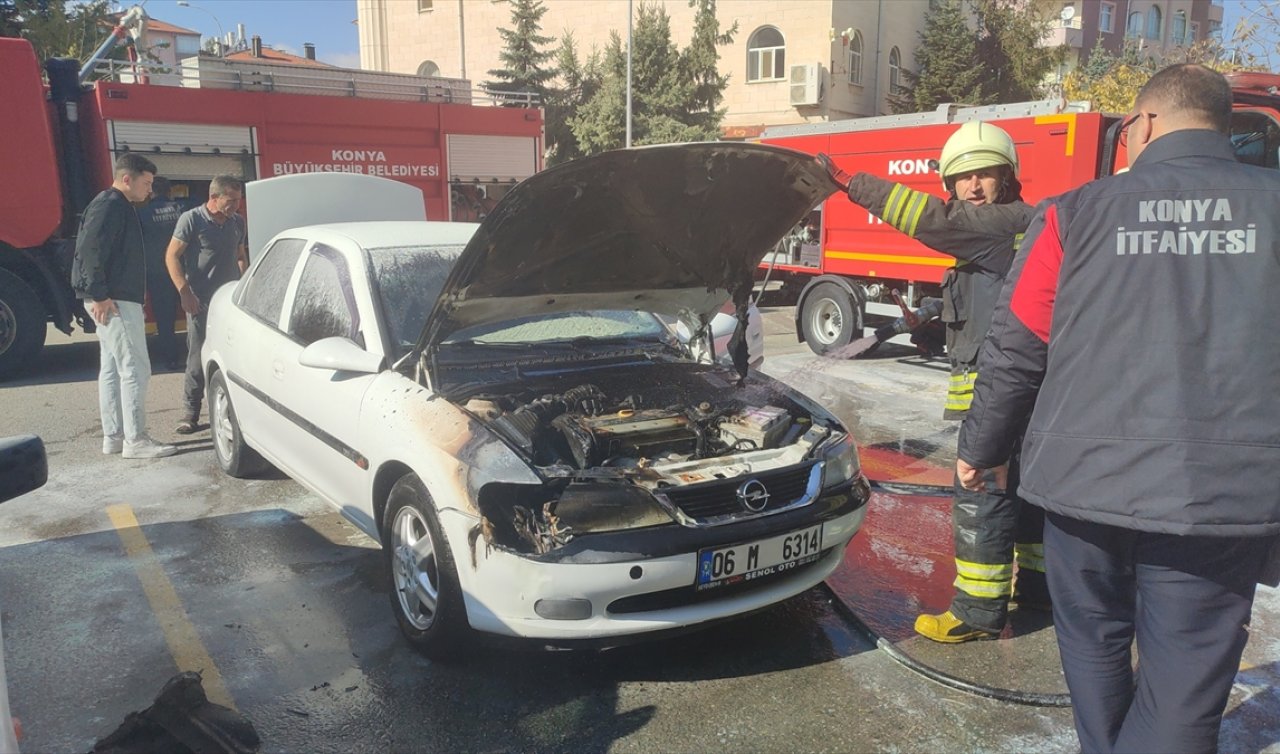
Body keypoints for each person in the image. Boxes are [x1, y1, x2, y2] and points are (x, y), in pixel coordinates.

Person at [957, 64, 1280, 752]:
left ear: (1145, 123)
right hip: (1218, 502)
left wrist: (980, 449)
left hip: (1084, 490)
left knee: (1095, 647)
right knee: (1184, 678)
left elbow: (1016, 349)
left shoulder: (1072, 214)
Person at [842, 121, 1046, 643]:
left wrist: (846, 181)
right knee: (1025, 492)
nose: (974, 186)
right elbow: (986, 307)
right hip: (1019, 394)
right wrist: (933, 323)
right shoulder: (1007, 233)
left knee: (982, 489)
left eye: (986, 175)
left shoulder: (1002, 222)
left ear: (1008, 179)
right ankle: (1041, 594)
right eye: (964, 178)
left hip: (1000, 397)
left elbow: (928, 219)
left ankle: (978, 613)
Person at [69, 153, 177, 460]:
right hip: (115, 300)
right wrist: (100, 294)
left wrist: (98, 294)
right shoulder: (112, 205)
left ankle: (115, 436)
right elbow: (90, 249)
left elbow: (93, 249)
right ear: (126, 178)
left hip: (110, 297)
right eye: (146, 183)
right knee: (135, 368)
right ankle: (135, 439)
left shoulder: (112, 204)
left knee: (112, 369)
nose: (150, 190)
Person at [165, 175, 248, 435]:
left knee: (235, 353)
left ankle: (236, 409)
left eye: (238, 201)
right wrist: (184, 292)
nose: (236, 206)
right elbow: (171, 256)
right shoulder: (192, 219)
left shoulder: (237, 222)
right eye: (231, 200)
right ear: (214, 197)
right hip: (200, 301)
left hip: (230, 301)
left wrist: (245, 286)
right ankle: (190, 412)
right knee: (198, 354)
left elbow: (241, 255)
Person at [138, 176, 185, 371]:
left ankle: (171, 359)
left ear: (151, 191)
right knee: (194, 314)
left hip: (157, 273)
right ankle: (197, 354)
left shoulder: (142, 213)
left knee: (165, 318)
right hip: (184, 271)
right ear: (170, 191)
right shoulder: (182, 210)